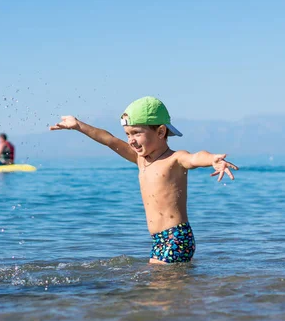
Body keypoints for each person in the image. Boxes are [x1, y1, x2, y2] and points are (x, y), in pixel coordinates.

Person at [50, 96, 238, 264]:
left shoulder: (174, 159)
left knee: (158, 290)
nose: (131, 140)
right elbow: (109, 140)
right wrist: (78, 125)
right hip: (159, 238)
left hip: (176, 236)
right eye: (128, 134)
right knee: (164, 291)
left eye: (137, 133)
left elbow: (195, 157)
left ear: (161, 132)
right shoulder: (141, 160)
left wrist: (212, 159)